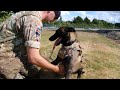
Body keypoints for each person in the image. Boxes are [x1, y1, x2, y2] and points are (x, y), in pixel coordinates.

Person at [0, 11, 64, 79]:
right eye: (56, 17)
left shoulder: (29, 14)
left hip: (14, 54)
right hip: (5, 59)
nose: (55, 20)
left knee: (39, 70)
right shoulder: (34, 20)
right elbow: (33, 58)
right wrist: (57, 69)